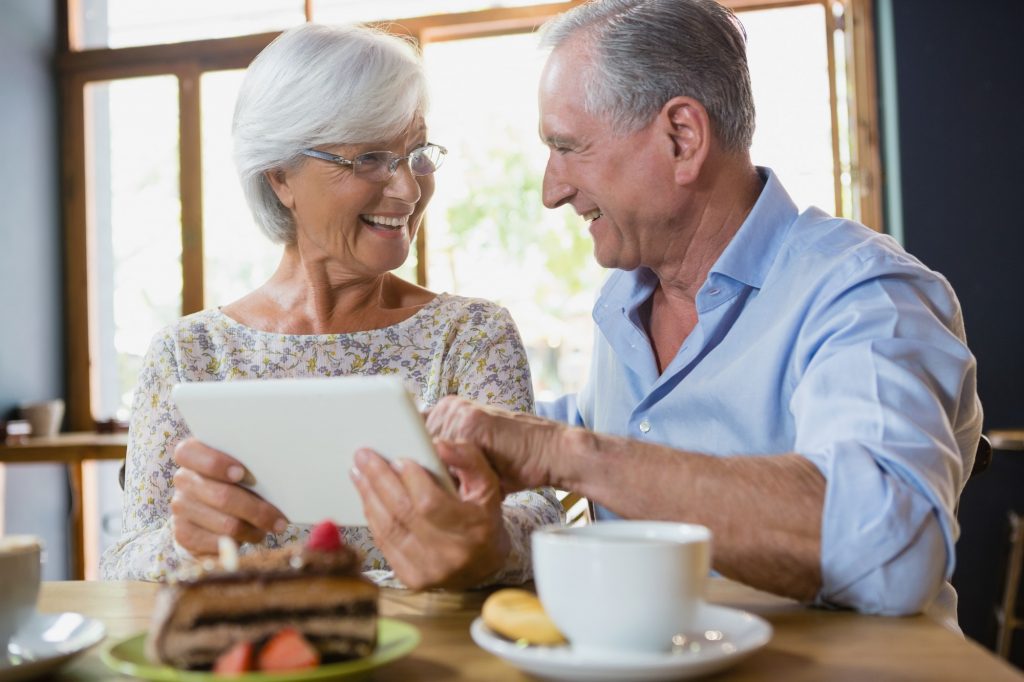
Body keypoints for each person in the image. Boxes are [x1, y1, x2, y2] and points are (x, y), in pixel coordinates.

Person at [419, 0, 982, 628]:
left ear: (681, 138)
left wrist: (567, 452)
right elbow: (607, 432)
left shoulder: (866, 295)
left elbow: (891, 553)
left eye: (568, 148)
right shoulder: (624, 303)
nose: (553, 190)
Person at [100, 23, 561, 590]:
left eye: (416, 154)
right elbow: (120, 564)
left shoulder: (470, 334)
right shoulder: (189, 354)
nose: (409, 191)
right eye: (370, 158)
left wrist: (487, 535)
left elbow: (541, 520)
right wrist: (183, 543)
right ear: (280, 177)